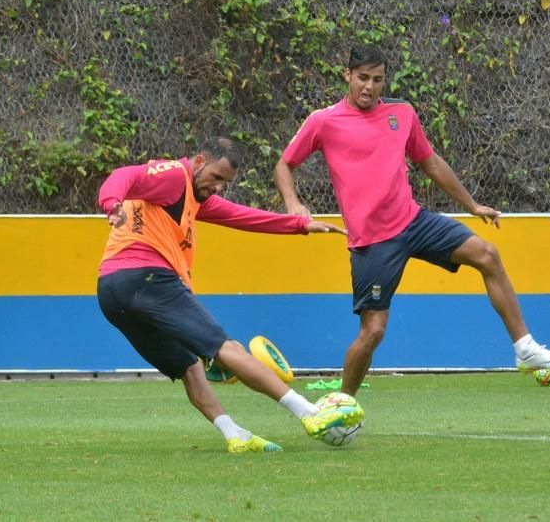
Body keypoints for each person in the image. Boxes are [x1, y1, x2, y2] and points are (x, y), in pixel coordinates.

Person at [273, 44, 550, 396]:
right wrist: (293, 203)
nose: (369, 87)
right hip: (372, 242)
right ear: (347, 75)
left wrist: (471, 204)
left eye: (377, 80)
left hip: (414, 221)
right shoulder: (323, 121)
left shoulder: (401, 114)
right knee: (373, 331)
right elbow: (284, 164)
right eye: (362, 78)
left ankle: (525, 349)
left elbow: (429, 162)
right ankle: (342, 403)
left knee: (487, 254)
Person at [97, 136, 361, 453]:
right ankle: (309, 413)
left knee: (189, 367)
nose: (220, 187)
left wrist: (300, 225)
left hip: (111, 293)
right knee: (226, 347)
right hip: (146, 277)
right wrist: (111, 203)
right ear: (198, 162)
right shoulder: (173, 177)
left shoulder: (193, 197)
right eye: (217, 177)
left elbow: (242, 216)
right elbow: (123, 175)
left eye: (226, 182)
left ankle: (235, 434)